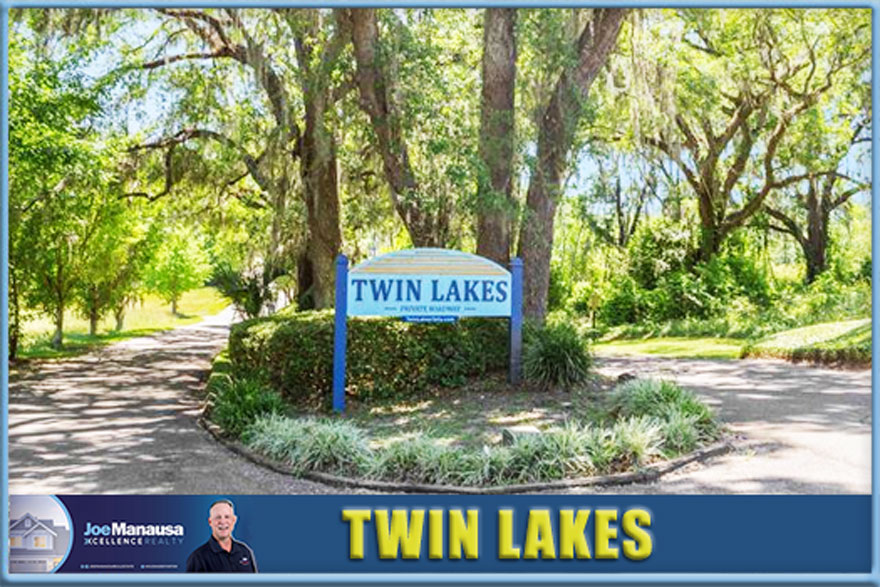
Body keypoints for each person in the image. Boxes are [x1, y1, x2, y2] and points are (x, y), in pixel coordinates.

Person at [186, 499, 258, 573]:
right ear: (210, 522)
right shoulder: (198, 558)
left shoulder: (245, 552)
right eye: (218, 517)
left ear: (234, 520)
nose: (223, 521)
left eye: (227, 517)